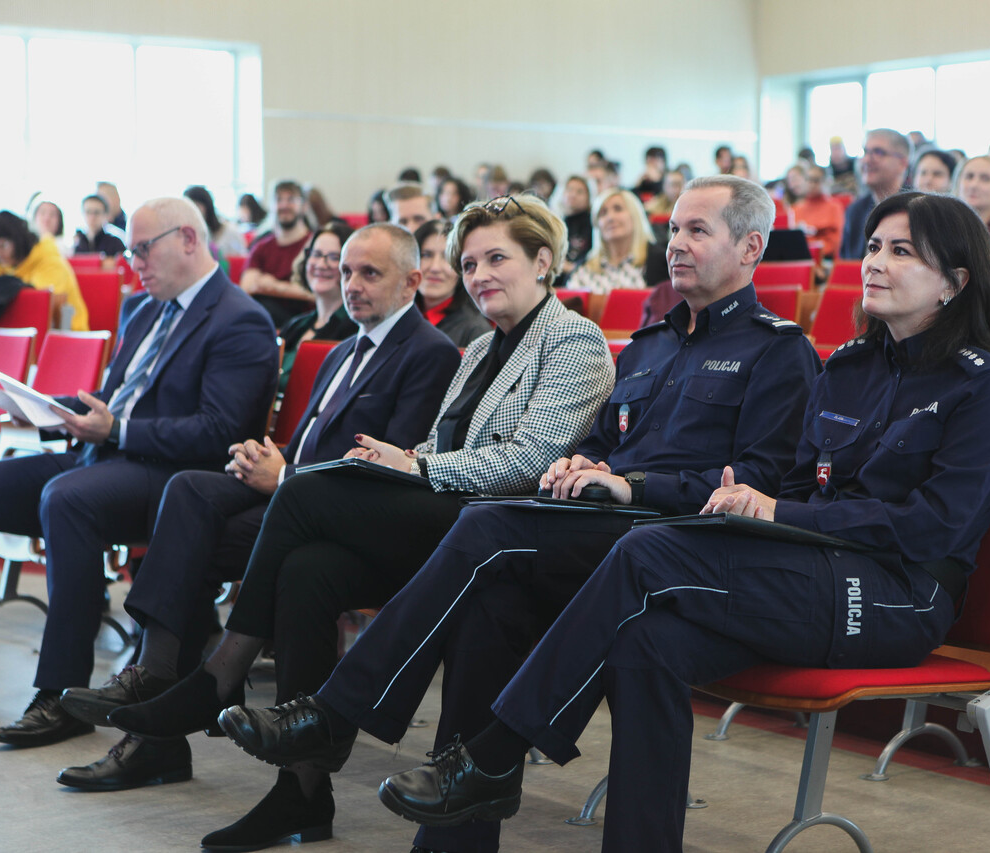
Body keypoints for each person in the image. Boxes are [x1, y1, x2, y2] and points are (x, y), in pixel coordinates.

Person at [374, 191, 990, 853]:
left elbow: (935, 527)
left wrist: (777, 509)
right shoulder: (852, 367)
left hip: (895, 594)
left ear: (954, 281)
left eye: (902, 251)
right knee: (645, 638)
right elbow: (803, 486)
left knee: (647, 550)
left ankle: (492, 755)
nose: (875, 262)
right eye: (876, 245)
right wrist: (763, 508)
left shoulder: (983, 385)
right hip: (807, 565)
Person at [218, 175, 824, 853]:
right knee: (490, 604)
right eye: (675, 229)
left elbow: (759, 484)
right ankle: (455, 834)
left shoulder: (778, 350)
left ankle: (335, 713)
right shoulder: (650, 346)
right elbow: (605, 440)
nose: (676, 244)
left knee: (488, 525)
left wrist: (635, 484)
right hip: (601, 529)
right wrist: (581, 463)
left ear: (751, 248)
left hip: (676, 543)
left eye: (697, 231)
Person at [108, 194, 616, 851]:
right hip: (451, 519)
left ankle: (222, 675)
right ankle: (302, 789)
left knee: (303, 494)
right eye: (468, 262)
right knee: (307, 567)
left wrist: (415, 468)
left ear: (543, 262)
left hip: (504, 527)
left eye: (498, 258)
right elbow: (438, 447)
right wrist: (409, 460)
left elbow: (529, 460)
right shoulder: (478, 349)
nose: (479, 273)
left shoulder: (573, 338)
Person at [54, 223, 460, 792]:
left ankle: (171, 713)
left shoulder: (430, 354)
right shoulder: (343, 348)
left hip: (342, 516)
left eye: (370, 273)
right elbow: (309, 442)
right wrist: (269, 458)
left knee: (184, 557)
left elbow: (386, 470)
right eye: (346, 272)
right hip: (294, 494)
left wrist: (288, 476)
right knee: (190, 493)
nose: (352, 285)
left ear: (413, 281)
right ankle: (159, 674)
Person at [0, 198, 279, 751]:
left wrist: (118, 431)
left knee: (68, 499)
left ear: (187, 239)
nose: (134, 262)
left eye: (142, 249)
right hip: (107, 458)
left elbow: (217, 430)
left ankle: (62, 692)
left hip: (178, 478)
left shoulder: (239, 319)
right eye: (130, 250)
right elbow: (109, 403)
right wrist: (46, 407)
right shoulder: (143, 310)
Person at [274, 222, 359, 392]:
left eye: (334, 257)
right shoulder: (295, 325)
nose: (321, 264)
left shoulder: (354, 332)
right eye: (316, 254)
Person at [0, 210, 89, 331]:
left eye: (2, 246)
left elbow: (39, 306)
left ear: (18, 241)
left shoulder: (49, 261)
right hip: (18, 334)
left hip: (66, 334)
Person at [241, 181, 315, 328]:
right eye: (278, 199)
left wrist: (271, 285)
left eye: (291, 199)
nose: (284, 205)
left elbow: (315, 294)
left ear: (304, 206)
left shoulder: (314, 245)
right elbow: (247, 287)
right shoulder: (262, 246)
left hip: (304, 320)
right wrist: (291, 289)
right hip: (264, 320)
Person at [413, 218, 492, 346]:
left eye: (447, 257)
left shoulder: (475, 331)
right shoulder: (399, 316)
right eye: (426, 255)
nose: (435, 267)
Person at [568, 188, 658, 293]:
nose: (610, 218)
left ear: (635, 215)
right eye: (603, 213)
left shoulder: (658, 262)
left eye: (618, 209)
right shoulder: (583, 268)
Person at [839, 128, 911, 258]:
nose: (867, 160)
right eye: (865, 152)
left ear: (903, 163)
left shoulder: (916, 209)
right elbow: (846, 265)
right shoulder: (855, 211)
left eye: (878, 152)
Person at [793, 165, 845, 257]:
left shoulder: (834, 207)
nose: (811, 184)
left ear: (825, 182)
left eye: (816, 180)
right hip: (800, 257)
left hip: (825, 259)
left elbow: (834, 243)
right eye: (808, 180)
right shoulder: (796, 208)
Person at [184, 185, 246, 258]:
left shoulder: (230, 231)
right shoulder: (187, 235)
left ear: (207, 206)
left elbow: (242, 259)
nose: (192, 211)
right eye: (188, 207)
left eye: (196, 206)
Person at [561, 175, 594, 272]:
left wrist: (572, 267)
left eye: (579, 192)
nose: (573, 195)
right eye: (569, 190)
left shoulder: (593, 223)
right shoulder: (559, 223)